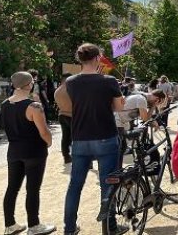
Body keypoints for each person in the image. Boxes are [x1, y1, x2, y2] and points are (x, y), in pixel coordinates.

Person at [63, 43, 126, 235]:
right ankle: (109, 227)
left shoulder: (71, 82)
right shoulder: (109, 81)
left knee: (75, 185)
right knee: (108, 183)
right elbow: (118, 107)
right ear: (98, 58)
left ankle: (70, 229)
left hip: (80, 138)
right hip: (105, 136)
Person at [1, 72, 56, 235]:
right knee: (32, 189)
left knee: (12, 188)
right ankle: (34, 225)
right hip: (34, 151)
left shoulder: (4, 104)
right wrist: (49, 142)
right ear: (29, 84)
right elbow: (44, 131)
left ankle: (10, 225)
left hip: (13, 151)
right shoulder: (34, 106)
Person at [54, 73, 73, 164]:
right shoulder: (70, 89)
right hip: (72, 116)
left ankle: (66, 156)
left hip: (62, 115)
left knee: (65, 138)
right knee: (77, 138)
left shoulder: (57, 91)